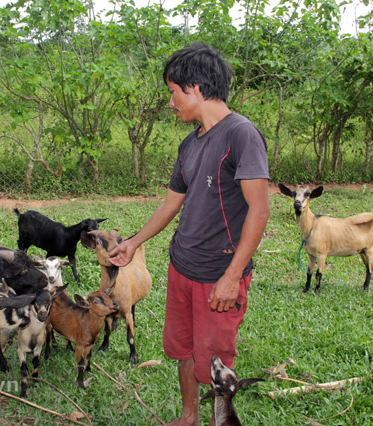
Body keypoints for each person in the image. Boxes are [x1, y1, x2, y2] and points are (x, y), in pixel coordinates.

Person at [108, 43, 270, 426]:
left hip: (218, 275)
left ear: (194, 87)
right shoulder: (190, 143)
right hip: (182, 266)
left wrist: (232, 276)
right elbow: (169, 205)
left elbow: (260, 210)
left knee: (214, 363)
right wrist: (134, 241)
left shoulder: (242, 135)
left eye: (173, 92)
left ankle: (218, 420)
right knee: (183, 350)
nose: (171, 102)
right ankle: (189, 416)